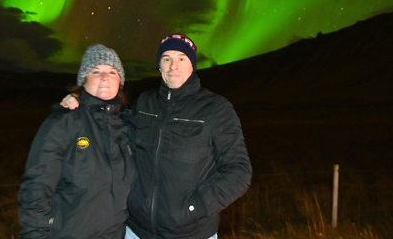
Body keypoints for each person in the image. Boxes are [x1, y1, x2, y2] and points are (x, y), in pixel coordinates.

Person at [62, 33, 252, 239]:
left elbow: (239, 171)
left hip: (190, 234)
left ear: (192, 66)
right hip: (135, 231)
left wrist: (194, 207)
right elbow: (111, 124)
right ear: (159, 66)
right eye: (166, 59)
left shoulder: (216, 109)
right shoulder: (145, 102)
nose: (173, 66)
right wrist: (82, 100)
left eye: (181, 58)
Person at [18, 44, 134, 239]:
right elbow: (37, 188)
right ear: (84, 81)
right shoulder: (64, 121)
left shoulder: (128, 127)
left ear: (120, 82)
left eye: (112, 72)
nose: (105, 77)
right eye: (96, 71)